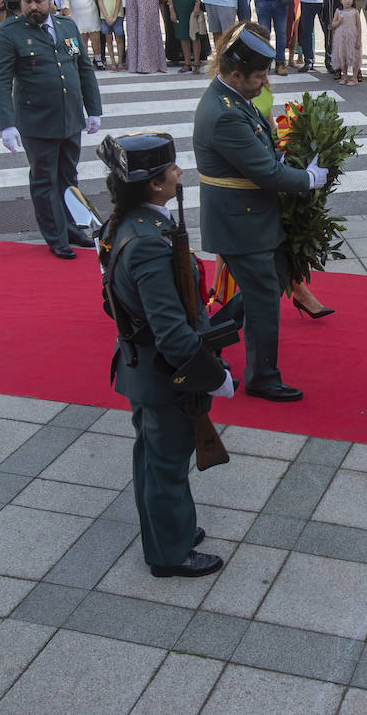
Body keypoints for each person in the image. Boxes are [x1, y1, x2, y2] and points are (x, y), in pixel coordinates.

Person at [95, 132, 232, 579]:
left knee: (153, 457)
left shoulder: (129, 225)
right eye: (171, 169)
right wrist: (214, 375)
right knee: (167, 464)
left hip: (143, 365)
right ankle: (169, 553)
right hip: (164, 372)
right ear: (154, 184)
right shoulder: (150, 242)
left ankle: (169, 529)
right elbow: (172, 331)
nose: (178, 173)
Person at [192, 23, 328, 401]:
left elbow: (262, 151)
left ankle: (206, 340)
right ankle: (262, 377)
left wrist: (287, 157)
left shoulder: (233, 99)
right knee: (265, 296)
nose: (264, 82)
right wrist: (307, 179)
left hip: (250, 216)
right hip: (241, 223)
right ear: (236, 74)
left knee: (270, 281)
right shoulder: (226, 113)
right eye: (259, 76)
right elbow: (265, 173)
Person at [0, 0, 103, 259]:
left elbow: (84, 69)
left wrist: (93, 110)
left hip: (70, 117)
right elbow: (0, 80)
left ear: (50, 0)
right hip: (37, 121)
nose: (33, 7)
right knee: (44, 180)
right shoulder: (10, 32)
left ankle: (72, 227)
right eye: (27, 1)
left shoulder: (66, 26)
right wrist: (7, 124)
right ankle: (55, 236)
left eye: (38, 1)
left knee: (69, 176)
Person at [64, 0, 100, 69]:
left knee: (95, 39)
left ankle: (98, 59)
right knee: (82, 40)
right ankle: (84, 61)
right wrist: (68, 16)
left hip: (91, 15)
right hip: (77, 17)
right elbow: (65, 2)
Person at [97, 0, 125, 70]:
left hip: (117, 16)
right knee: (108, 40)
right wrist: (106, 16)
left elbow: (118, 1)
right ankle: (112, 61)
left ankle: (120, 61)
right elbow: (100, 1)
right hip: (105, 17)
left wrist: (113, 16)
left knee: (119, 39)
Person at [329, 0, 361, 84]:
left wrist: (359, 39)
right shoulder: (338, 12)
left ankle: (355, 77)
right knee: (343, 56)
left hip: (352, 37)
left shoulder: (355, 12)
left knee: (354, 57)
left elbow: (359, 27)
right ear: (341, 0)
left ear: (353, 0)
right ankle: (345, 76)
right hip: (341, 37)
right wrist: (338, 22)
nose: (347, 1)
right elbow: (332, 24)